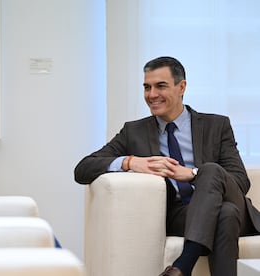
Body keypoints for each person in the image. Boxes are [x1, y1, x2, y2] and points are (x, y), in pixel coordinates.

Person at [74, 56, 260, 276]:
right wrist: (130, 161)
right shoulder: (134, 132)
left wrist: (192, 174)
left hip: (236, 207)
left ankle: (182, 266)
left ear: (181, 87)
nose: (152, 95)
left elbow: (240, 181)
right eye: (147, 87)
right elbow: (83, 169)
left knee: (210, 171)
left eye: (160, 86)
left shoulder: (216, 125)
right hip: (182, 215)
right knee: (224, 214)